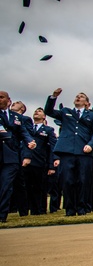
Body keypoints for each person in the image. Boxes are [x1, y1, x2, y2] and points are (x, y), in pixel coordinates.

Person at [44, 89, 93, 217]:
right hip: (67, 150)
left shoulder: (92, 116)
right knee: (67, 180)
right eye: (77, 96)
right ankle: (69, 209)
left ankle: (82, 208)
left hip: (84, 151)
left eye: (81, 96)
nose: (78, 97)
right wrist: (53, 97)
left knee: (83, 180)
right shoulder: (66, 112)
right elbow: (49, 111)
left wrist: (91, 145)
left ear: (87, 103)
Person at [1, 91, 37, 223]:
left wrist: (30, 142)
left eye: (1, 97)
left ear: (8, 100)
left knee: (6, 185)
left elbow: (24, 132)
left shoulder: (17, 118)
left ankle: (1, 215)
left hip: (11, 156)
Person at [23, 108, 56, 215]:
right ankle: (28, 209)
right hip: (25, 161)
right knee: (27, 186)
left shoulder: (48, 130)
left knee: (40, 187)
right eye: (35, 111)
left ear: (44, 117)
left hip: (40, 162)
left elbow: (53, 147)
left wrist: (51, 165)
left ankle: (40, 210)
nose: (36, 112)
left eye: (40, 111)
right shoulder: (27, 128)